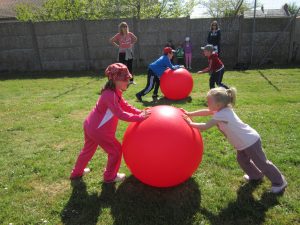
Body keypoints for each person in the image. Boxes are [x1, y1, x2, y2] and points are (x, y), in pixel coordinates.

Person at [182, 87, 288, 194]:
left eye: (208, 101)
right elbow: (206, 112)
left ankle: (279, 182)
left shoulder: (222, 114)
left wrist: (189, 123)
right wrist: (190, 114)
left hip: (249, 141)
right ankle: (256, 175)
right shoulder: (222, 109)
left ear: (218, 105)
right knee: (242, 160)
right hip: (242, 143)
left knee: (262, 163)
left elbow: (205, 126)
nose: (206, 103)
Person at [70, 63, 150, 183]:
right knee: (116, 151)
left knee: (88, 150)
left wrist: (140, 112)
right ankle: (110, 176)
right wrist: (139, 118)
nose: (128, 82)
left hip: (90, 125)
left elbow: (125, 105)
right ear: (116, 80)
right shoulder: (110, 95)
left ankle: (77, 172)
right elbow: (120, 114)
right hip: (99, 130)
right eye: (126, 80)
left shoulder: (114, 91)